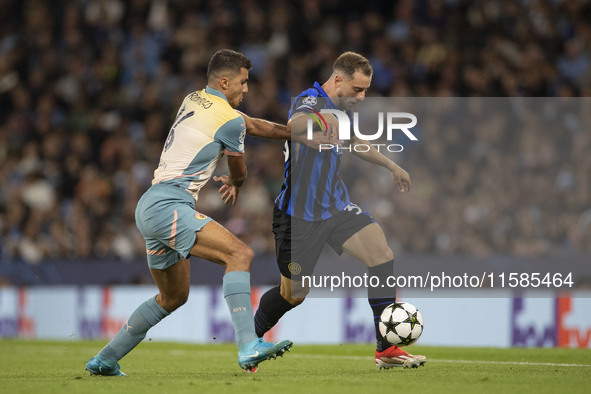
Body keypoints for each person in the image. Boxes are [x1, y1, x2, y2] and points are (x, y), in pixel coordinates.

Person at [85, 49, 293, 376]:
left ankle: (105, 360)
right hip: (169, 204)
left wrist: (293, 132)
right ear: (225, 82)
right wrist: (238, 182)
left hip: (151, 204)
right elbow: (238, 166)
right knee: (240, 254)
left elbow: (252, 125)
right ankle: (248, 345)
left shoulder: (194, 99)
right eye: (243, 82)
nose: (247, 89)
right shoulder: (229, 119)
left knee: (172, 296)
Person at [253, 52, 427, 369]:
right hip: (298, 217)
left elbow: (356, 142)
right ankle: (250, 338)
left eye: (365, 90)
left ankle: (386, 349)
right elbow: (297, 123)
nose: (361, 97)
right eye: (357, 89)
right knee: (293, 294)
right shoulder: (311, 99)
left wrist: (391, 166)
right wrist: (315, 133)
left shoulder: (341, 113)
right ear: (338, 80)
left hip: (335, 207)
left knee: (381, 253)